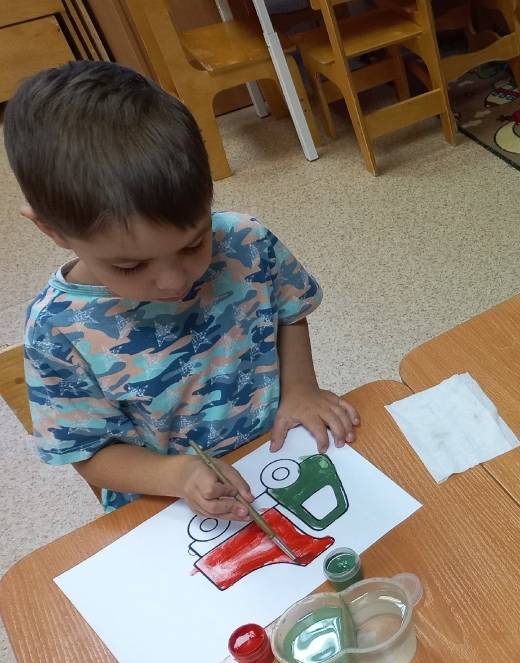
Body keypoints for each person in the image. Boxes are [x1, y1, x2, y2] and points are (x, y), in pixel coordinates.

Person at [8, 62, 358, 518]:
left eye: (194, 243)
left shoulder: (245, 241)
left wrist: (301, 389)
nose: (176, 281)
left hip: (275, 448)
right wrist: (177, 476)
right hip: (165, 500)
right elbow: (88, 453)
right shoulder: (56, 329)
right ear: (52, 230)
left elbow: (290, 312)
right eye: (130, 265)